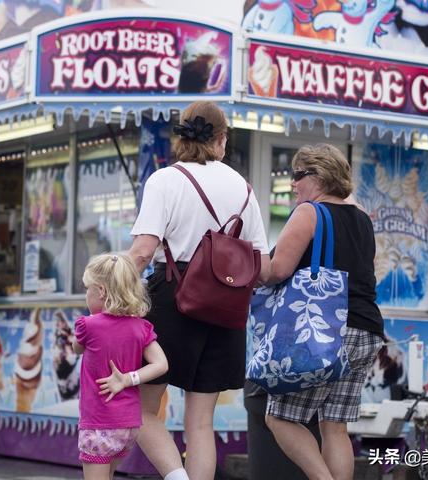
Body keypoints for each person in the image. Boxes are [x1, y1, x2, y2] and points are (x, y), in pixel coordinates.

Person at [128, 101, 270, 480]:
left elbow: (143, 251)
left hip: (173, 296)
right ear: (222, 140)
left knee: (140, 408)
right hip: (226, 306)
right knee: (201, 422)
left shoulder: (165, 179)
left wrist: (111, 288)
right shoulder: (243, 187)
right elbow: (262, 263)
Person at [263, 144, 384, 480]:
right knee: (334, 426)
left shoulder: (309, 213)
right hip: (367, 329)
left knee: (280, 418)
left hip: (326, 330)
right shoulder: (362, 218)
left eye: (297, 176)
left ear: (317, 176)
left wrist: (253, 264)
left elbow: (277, 270)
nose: (293, 184)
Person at [72, 253, 168, 480]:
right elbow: (161, 364)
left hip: (98, 422)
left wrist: (91, 318)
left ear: (102, 292)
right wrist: (128, 379)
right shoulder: (141, 327)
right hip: (128, 425)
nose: (86, 295)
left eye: (88, 289)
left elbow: (76, 348)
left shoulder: (87, 325)